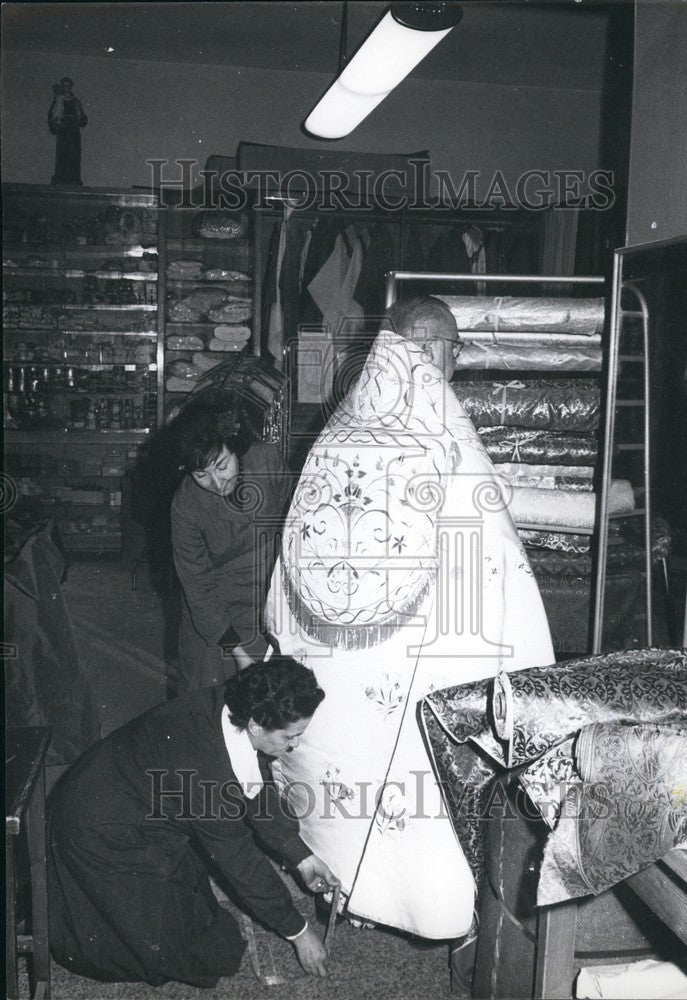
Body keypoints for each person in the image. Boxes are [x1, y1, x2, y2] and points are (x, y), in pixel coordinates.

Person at [264, 296, 554, 941]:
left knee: (344, 774)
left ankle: (345, 889)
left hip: (335, 665)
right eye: (454, 349)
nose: (456, 363)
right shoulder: (444, 433)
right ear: (431, 345)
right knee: (423, 795)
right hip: (423, 665)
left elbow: (294, 547)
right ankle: (432, 910)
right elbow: (493, 554)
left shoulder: (338, 431)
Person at [48, 656, 339, 987]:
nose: (295, 744)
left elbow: (252, 788)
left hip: (115, 796)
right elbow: (240, 862)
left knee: (200, 924)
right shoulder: (207, 776)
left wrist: (300, 855)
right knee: (175, 956)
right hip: (98, 832)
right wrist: (298, 931)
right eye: (291, 736)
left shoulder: (232, 703)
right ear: (257, 725)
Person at [170, 401, 292, 693]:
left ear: (235, 447)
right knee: (212, 702)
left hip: (269, 599)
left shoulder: (267, 461)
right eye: (201, 475)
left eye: (222, 466)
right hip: (216, 617)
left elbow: (296, 520)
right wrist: (238, 654)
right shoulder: (185, 507)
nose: (216, 481)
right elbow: (198, 588)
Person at [48, 77, 87, 186]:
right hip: (63, 132)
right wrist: (56, 124)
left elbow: (82, 119)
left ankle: (74, 178)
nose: (66, 88)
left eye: (68, 85)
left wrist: (79, 118)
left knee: (74, 155)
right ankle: (61, 178)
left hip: (73, 132)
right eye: (64, 86)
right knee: (62, 155)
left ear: (71, 86)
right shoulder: (58, 100)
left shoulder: (76, 102)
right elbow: (52, 117)